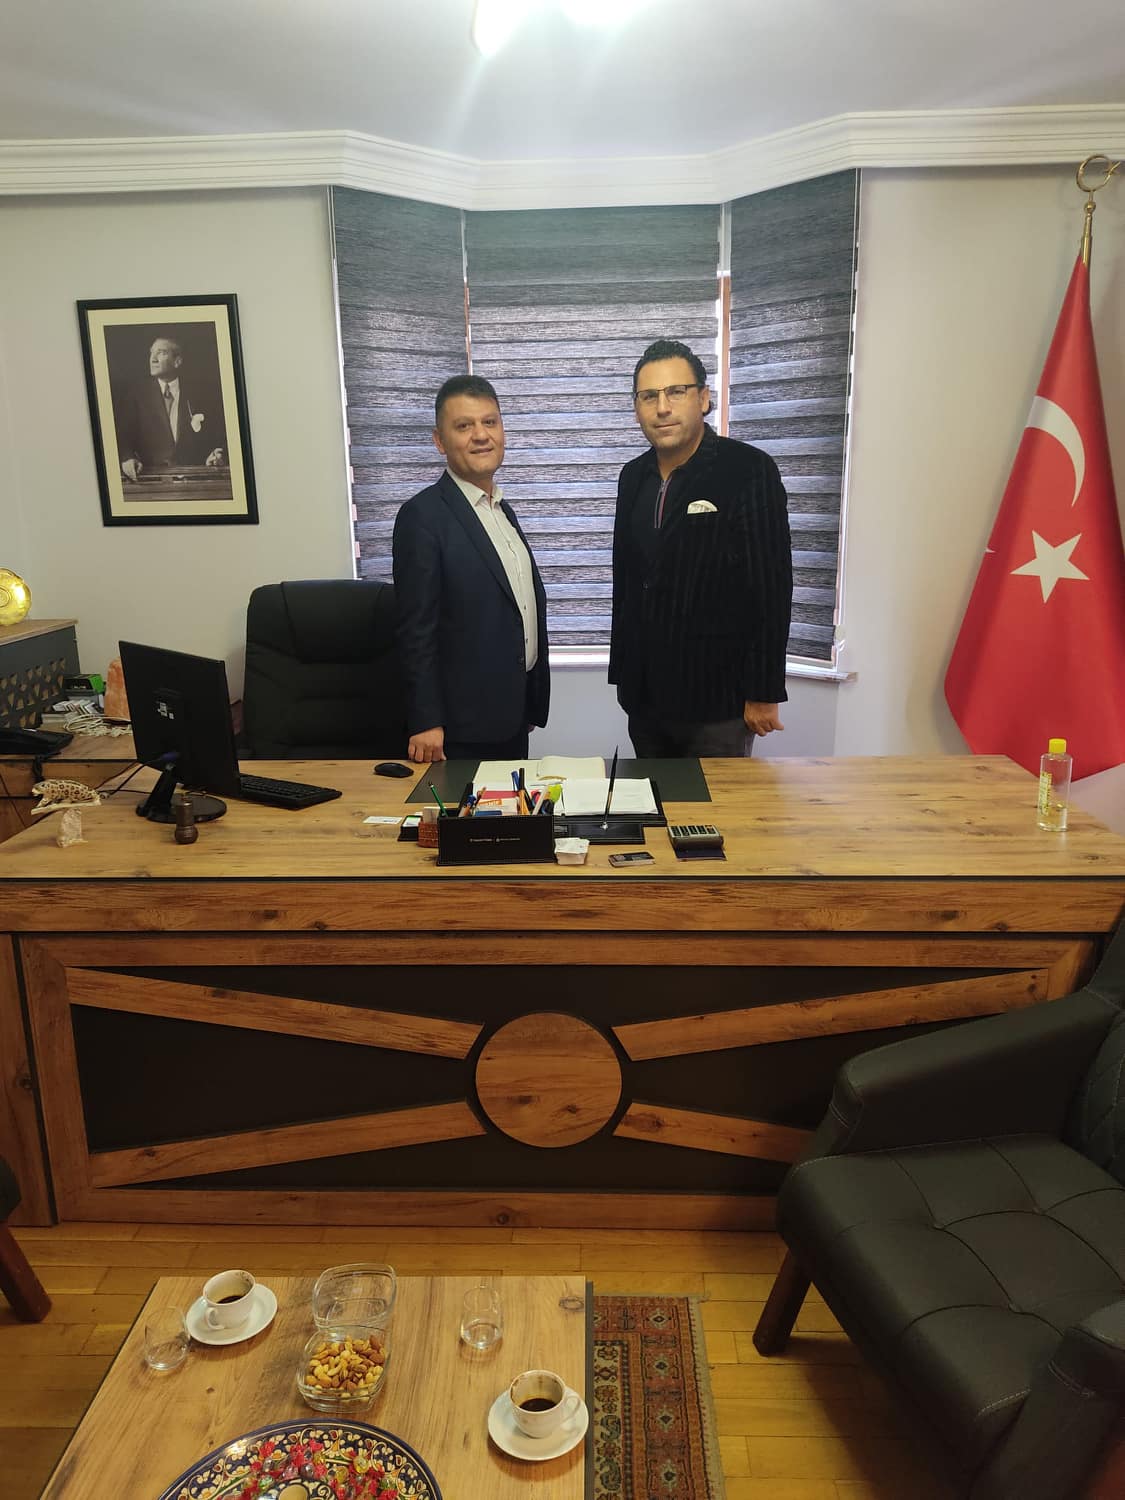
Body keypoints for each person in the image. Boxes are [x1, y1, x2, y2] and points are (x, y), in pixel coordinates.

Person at [609, 338, 792, 757]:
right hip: (646, 699)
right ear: (636, 407)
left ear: (703, 398)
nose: (662, 407)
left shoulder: (747, 470)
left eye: (676, 391)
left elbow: (771, 587)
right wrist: (623, 674)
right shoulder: (632, 476)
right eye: (649, 396)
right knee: (652, 797)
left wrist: (764, 690)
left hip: (719, 703)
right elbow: (627, 581)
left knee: (713, 802)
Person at [392, 374, 550, 763]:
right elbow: (416, 630)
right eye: (464, 426)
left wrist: (527, 699)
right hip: (457, 731)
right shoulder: (422, 517)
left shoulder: (501, 510)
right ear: (439, 441)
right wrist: (426, 720)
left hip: (511, 717)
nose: (481, 435)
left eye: (489, 422)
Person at [116, 335, 226, 480]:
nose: (153, 359)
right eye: (151, 353)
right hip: (152, 481)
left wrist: (213, 456)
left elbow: (215, 438)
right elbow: (124, 439)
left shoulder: (200, 394)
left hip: (195, 479)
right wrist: (127, 459)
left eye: (161, 353)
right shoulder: (137, 396)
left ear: (177, 361)